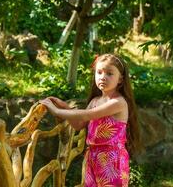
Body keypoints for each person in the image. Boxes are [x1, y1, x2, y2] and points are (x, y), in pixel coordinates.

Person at [39, 53, 141, 187]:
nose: (103, 77)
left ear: (120, 79)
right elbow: (79, 124)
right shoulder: (95, 101)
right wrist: (65, 107)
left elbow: (86, 115)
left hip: (111, 159)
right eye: (99, 72)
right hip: (92, 157)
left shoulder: (118, 102)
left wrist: (57, 111)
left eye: (109, 74)